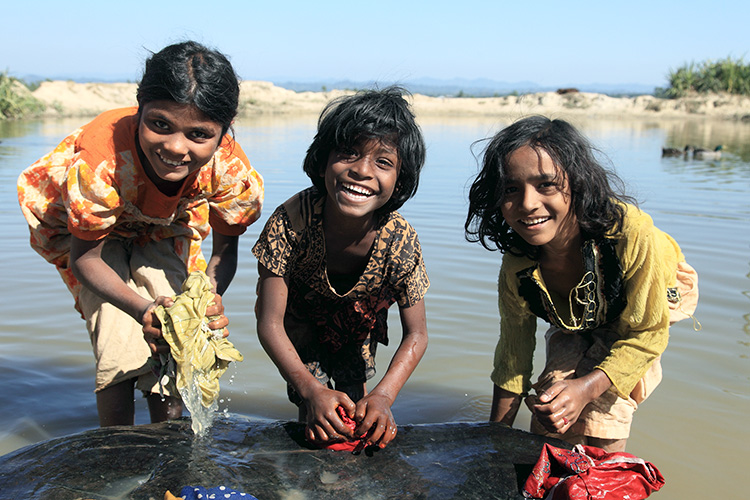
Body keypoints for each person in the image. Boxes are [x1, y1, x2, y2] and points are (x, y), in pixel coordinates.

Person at [17, 41, 264, 427]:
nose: (175, 147)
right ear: (140, 106)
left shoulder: (229, 171)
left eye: (199, 135)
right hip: (84, 233)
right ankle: (116, 447)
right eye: (160, 125)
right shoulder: (102, 162)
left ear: (224, 130)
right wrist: (140, 309)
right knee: (116, 339)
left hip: (166, 224)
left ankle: (169, 441)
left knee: (176, 331)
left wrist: (205, 302)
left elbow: (223, 254)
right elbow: (87, 260)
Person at [464, 116, 698, 452]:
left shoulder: (630, 234)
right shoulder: (519, 264)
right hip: (577, 312)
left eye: (546, 185)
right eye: (511, 189)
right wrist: (493, 440)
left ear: (577, 184)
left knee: (605, 408)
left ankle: (604, 476)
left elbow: (647, 334)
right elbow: (513, 355)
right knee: (551, 404)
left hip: (648, 300)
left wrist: (588, 388)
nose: (528, 204)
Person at [253, 87, 429, 450]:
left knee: (358, 411)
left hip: (357, 325)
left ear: (400, 179)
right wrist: (311, 389)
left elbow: (417, 335)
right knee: (315, 415)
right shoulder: (292, 221)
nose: (362, 171)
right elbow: (269, 322)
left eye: (383, 162)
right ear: (322, 161)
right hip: (299, 322)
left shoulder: (400, 241)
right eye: (348, 153)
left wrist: (384, 397)